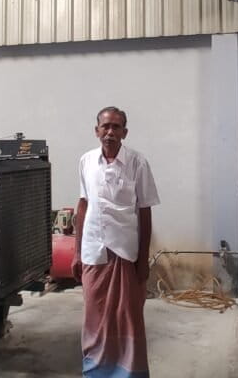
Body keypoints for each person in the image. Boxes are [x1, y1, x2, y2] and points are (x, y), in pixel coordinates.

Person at [72, 106, 160, 378]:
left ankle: (128, 373)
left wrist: (143, 260)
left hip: (125, 254)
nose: (110, 132)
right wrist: (76, 252)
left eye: (116, 127)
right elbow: (83, 206)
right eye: (105, 126)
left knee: (128, 318)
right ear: (96, 130)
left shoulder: (138, 163)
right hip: (93, 253)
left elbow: (144, 212)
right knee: (94, 317)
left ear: (125, 132)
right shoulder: (86, 161)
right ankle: (96, 372)